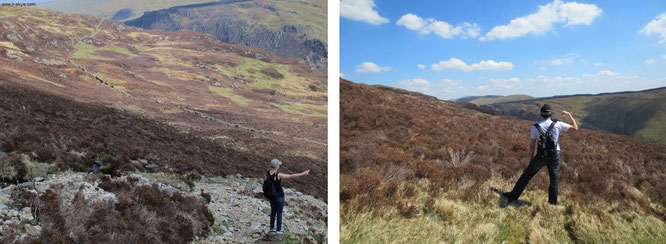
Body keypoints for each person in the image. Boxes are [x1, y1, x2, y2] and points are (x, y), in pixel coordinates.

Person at [503, 104, 578, 205]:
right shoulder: (558, 124)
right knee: (554, 181)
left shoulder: (535, 127)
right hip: (555, 155)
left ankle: (512, 197)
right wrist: (569, 115)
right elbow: (575, 128)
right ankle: (552, 204)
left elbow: (532, 146)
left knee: (526, 176)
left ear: (541, 114)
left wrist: (530, 161)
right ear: (551, 114)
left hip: (541, 156)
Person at [267, 158, 310, 235]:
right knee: (279, 213)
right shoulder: (278, 175)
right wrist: (303, 173)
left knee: (273, 211)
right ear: (277, 166)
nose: (279, 166)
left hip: (272, 197)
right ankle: (279, 230)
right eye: (279, 165)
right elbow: (291, 176)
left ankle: (272, 228)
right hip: (279, 196)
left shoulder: (268, 173)